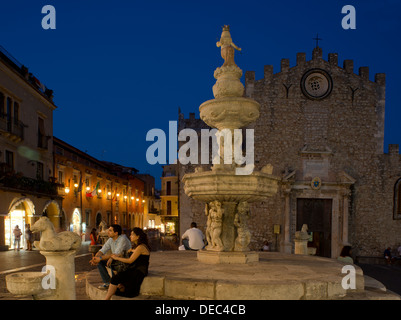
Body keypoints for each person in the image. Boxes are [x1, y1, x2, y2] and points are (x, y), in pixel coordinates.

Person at [104, 227, 150, 300]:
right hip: (133, 269)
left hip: (139, 271)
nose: (130, 236)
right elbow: (131, 254)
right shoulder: (137, 247)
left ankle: (106, 299)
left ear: (138, 236)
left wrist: (117, 258)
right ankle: (116, 290)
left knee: (116, 279)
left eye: (132, 234)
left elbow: (130, 260)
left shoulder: (141, 247)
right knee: (117, 279)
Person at [89, 224, 131, 289]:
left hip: (125, 262)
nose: (108, 232)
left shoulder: (123, 239)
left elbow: (117, 253)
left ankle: (115, 282)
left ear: (116, 233)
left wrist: (100, 258)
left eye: (110, 231)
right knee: (100, 262)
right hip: (116, 259)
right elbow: (102, 250)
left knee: (110, 261)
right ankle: (108, 282)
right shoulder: (111, 239)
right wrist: (95, 258)